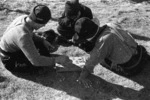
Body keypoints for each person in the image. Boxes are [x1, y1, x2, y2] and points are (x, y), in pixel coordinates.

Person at [73, 17, 149, 88]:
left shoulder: (102, 43)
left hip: (132, 67)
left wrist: (82, 77)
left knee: (102, 61)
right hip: (142, 53)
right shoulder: (111, 24)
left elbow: (91, 62)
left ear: (88, 37)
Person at [0, 4, 72, 73]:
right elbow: (36, 61)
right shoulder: (23, 35)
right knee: (40, 66)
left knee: (43, 50)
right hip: (10, 59)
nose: (44, 26)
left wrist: (42, 40)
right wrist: (56, 60)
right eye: (43, 24)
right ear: (37, 22)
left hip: (14, 47)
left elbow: (31, 34)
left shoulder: (25, 18)